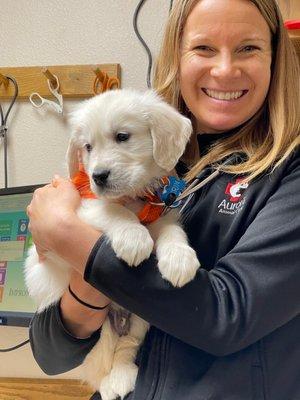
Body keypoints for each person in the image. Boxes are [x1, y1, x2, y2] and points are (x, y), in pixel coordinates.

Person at [27, 0, 300, 399]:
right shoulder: (152, 152)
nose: (225, 69)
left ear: (276, 59)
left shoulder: (289, 171)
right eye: (204, 48)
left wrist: (71, 236)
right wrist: (86, 290)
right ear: (178, 53)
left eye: (248, 48)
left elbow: (229, 317)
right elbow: (51, 355)